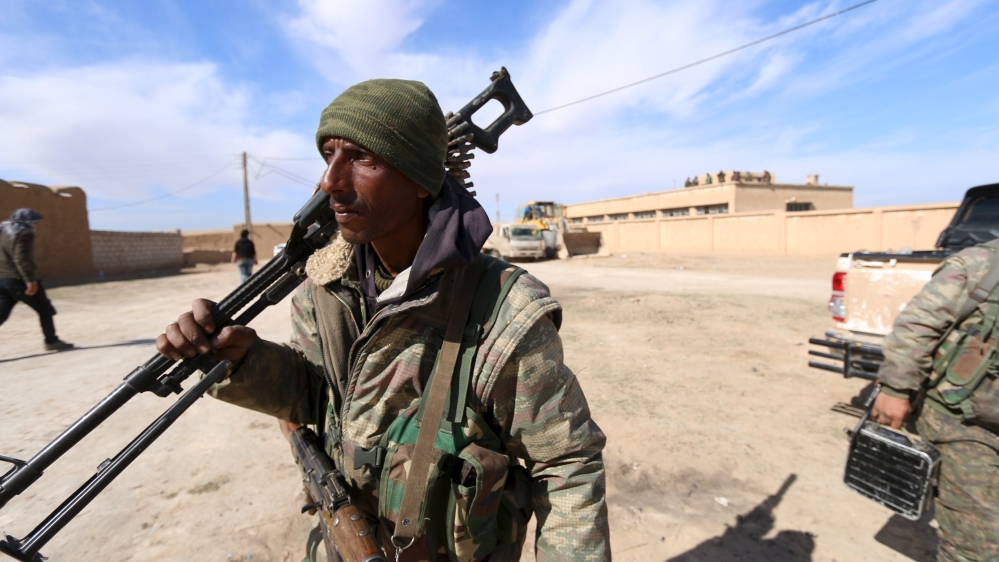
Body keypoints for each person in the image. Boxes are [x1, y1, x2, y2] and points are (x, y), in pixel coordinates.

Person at [156, 79, 610, 562]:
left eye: (362, 158)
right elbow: (318, 396)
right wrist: (242, 363)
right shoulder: (325, 288)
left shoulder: (503, 310)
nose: (330, 181)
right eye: (329, 155)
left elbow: (567, 465)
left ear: (420, 181)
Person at [871, 241, 999, 561]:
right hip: (964, 423)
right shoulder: (981, 264)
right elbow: (917, 325)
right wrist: (896, 388)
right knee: (978, 545)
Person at [0, 208, 73, 351]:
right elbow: (21, 259)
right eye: (34, 223)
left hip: (1, 280)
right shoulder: (24, 233)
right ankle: (52, 341)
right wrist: (30, 281)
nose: (35, 226)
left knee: (1, 314)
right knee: (45, 309)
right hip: (18, 280)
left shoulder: (2, 232)